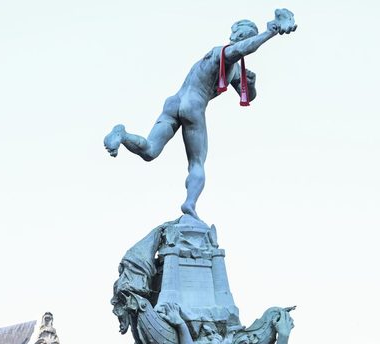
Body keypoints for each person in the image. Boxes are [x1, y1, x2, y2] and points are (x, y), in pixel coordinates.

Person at [103, 10, 298, 218]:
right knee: (197, 163)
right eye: (245, 37)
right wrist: (270, 33)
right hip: (193, 105)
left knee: (150, 151)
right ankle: (190, 204)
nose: (244, 42)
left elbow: (247, 97)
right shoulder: (221, 53)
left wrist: (251, 84)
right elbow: (242, 50)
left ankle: (122, 135)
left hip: (173, 103)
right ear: (236, 38)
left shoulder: (229, 67)